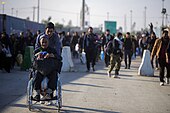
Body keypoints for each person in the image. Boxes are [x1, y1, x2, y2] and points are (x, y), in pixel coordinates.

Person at [33, 35, 58, 101]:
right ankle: (37, 94)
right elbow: (33, 60)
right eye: (42, 42)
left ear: (48, 42)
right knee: (36, 74)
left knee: (54, 74)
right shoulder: (37, 50)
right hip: (40, 69)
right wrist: (37, 57)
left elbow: (59, 57)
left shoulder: (52, 50)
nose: (44, 43)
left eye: (45, 42)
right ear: (40, 42)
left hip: (50, 69)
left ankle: (49, 93)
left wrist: (52, 55)